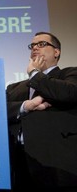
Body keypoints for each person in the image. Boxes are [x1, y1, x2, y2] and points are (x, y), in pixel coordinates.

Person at [6, 32, 77, 191]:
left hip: (56, 162)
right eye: (33, 46)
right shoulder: (14, 87)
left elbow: (69, 93)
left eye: (42, 44)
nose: (35, 48)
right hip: (18, 162)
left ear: (56, 52)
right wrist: (24, 106)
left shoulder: (69, 75)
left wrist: (34, 73)